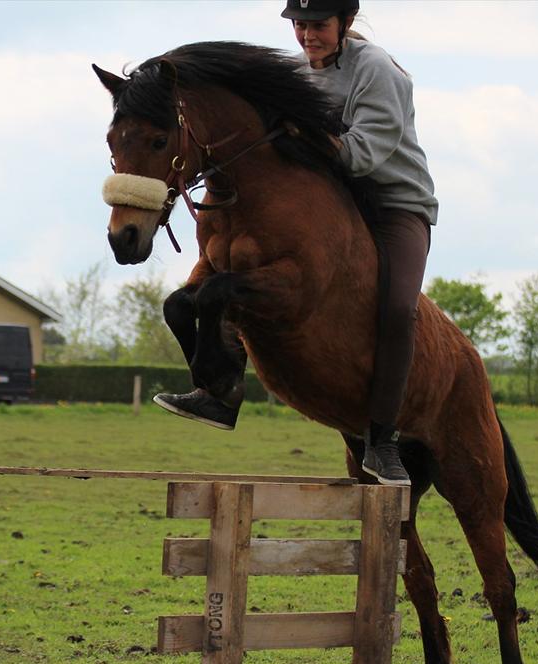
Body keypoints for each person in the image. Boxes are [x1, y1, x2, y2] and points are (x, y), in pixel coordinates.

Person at [154, 0, 437, 486]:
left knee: (396, 309)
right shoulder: (293, 73)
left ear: (345, 23)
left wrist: (301, 133)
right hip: (332, 202)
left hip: (393, 206)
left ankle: (384, 440)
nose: (308, 36)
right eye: (300, 25)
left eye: (318, 25)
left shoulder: (379, 71)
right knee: (196, 294)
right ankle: (217, 392)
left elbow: (362, 157)